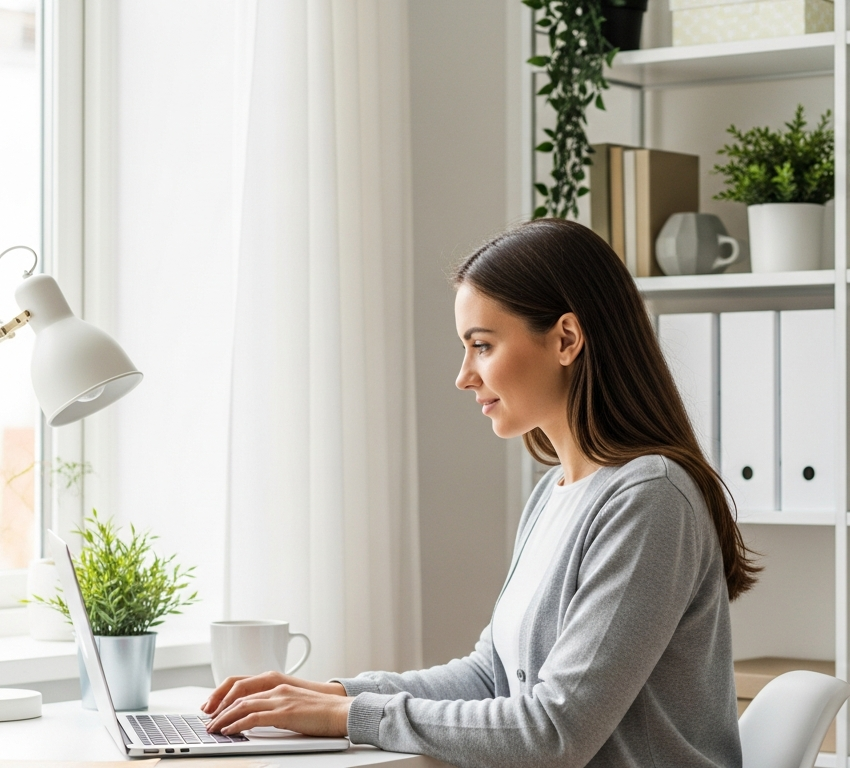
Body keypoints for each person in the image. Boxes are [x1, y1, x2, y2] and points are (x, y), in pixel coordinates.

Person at [201, 218, 759, 768]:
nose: (464, 375)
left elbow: (554, 733)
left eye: (482, 346)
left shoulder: (649, 498)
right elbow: (490, 675)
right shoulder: (554, 495)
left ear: (566, 338)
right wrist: (333, 695)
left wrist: (351, 717)